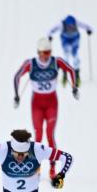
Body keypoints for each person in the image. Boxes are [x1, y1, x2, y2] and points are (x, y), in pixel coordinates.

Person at [13, 37, 77, 180]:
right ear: (38, 52)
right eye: (43, 53)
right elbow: (17, 76)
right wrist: (16, 95)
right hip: (36, 104)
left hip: (51, 103)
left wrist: (74, 87)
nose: (45, 56)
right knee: (38, 136)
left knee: (50, 134)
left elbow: (71, 70)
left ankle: (53, 167)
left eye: (48, 52)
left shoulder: (56, 61)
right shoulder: (31, 63)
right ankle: (37, 166)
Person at [47, 15, 93, 87]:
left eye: (72, 26)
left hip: (75, 38)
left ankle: (77, 75)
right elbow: (52, 30)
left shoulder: (76, 22)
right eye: (69, 26)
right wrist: (49, 35)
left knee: (75, 55)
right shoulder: (61, 24)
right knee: (66, 55)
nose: (70, 27)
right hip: (65, 39)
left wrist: (89, 30)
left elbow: (85, 26)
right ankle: (65, 74)